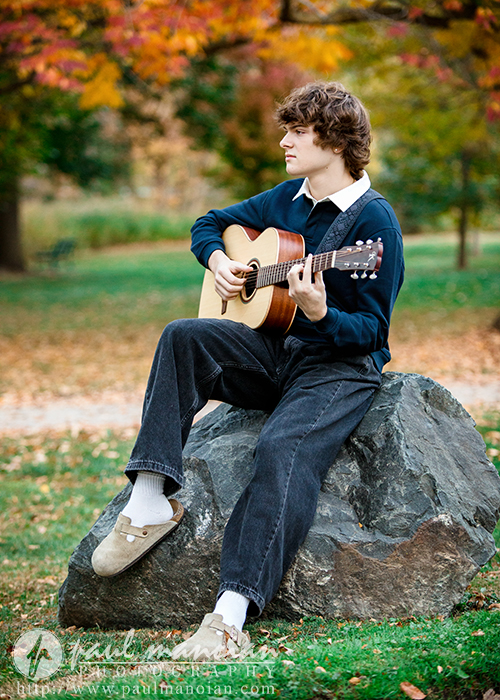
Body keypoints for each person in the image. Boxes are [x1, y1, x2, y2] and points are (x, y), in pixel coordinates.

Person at [91, 81, 404, 659]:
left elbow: (372, 333)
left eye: (297, 131)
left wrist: (323, 313)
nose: (284, 141)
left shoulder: (374, 224)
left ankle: (229, 616)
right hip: (275, 349)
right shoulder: (287, 198)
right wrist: (222, 262)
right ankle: (151, 497)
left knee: (283, 449)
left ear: (335, 142)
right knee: (184, 334)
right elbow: (209, 223)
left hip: (337, 368)